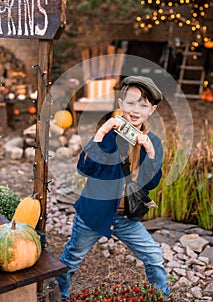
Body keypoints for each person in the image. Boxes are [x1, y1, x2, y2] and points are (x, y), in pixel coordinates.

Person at [56, 75, 170, 301]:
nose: (135, 110)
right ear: (120, 105)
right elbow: (85, 168)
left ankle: (161, 296)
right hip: (94, 214)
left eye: (143, 105)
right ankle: (60, 293)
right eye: (130, 103)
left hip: (126, 217)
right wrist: (102, 132)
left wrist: (151, 154)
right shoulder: (109, 136)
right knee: (72, 257)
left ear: (152, 110)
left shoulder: (153, 142)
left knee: (154, 255)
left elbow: (151, 183)